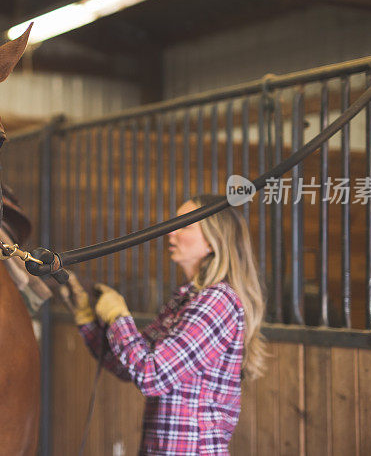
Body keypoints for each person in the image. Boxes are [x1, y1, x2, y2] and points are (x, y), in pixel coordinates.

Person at [62, 194, 266, 455]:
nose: (173, 232)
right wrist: (89, 320)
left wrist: (118, 316)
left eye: (186, 226)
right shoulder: (184, 301)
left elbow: (152, 374)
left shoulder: (217, 301)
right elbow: (128, 366)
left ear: (214, 241)